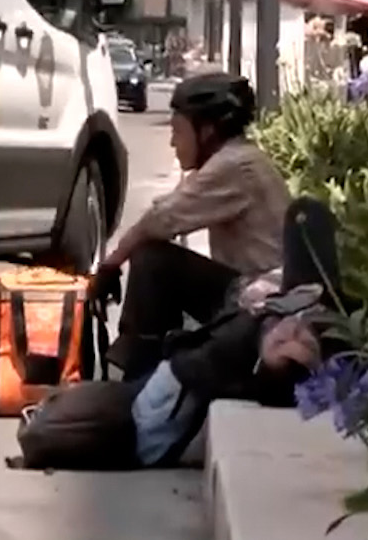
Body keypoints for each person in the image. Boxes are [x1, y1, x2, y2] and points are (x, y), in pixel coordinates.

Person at [91, 72, 292, 381]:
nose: (173, 142)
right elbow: (171, 209)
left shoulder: (235, 166)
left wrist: (110, 265)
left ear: (207, 131)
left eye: (178, 131)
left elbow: (159, 221)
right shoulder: (235, 160)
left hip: (262, 307)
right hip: (253, 295)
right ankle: (148, 364)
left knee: (153, 260)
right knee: (156, 259)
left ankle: (138, 374)